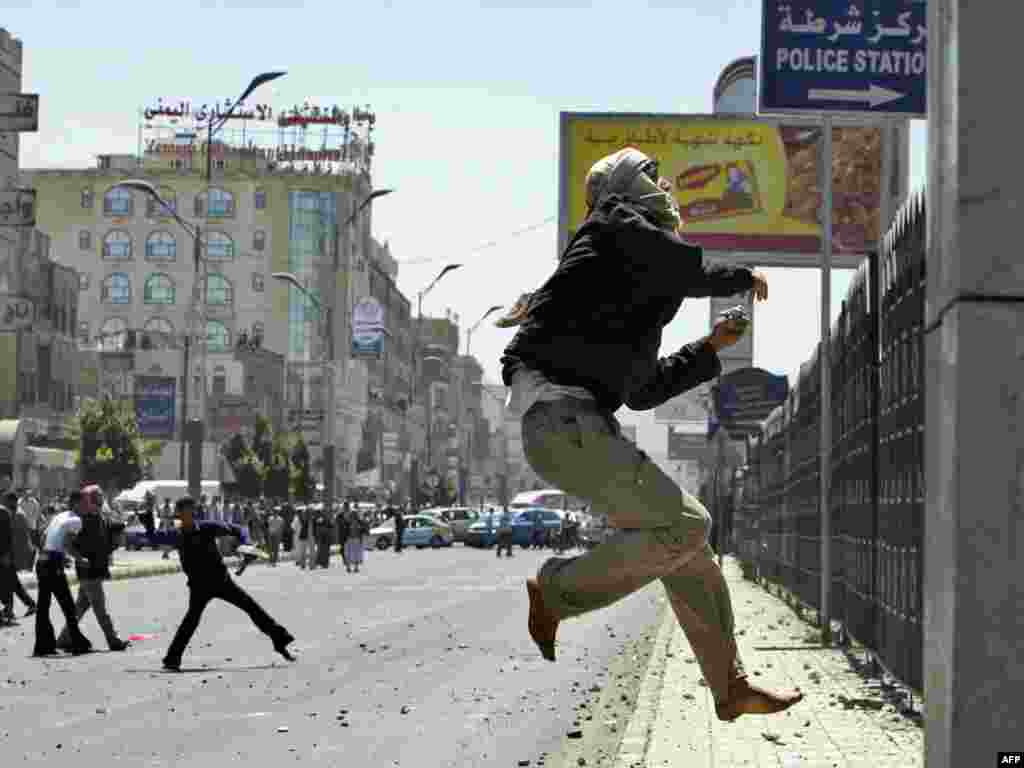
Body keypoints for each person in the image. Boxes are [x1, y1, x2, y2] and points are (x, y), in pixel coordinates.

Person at [498, 146, 801, 722]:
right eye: (657, 180)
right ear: (632, 187)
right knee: (689, 525)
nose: (670, 192)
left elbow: (642, 388)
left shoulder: (626, 288)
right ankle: (557, 591)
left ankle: (729, 685)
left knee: (687, 545)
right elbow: (680, 265)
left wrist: (709, 350)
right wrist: (738, 276)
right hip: (564, 423)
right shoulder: (612, 226)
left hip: (573, 428)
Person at [160, 496, 295, 672]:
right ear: (178, 513)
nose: (185, 515)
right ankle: (172, 659)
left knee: (252, 608)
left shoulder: (207, 527)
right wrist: (147, 523)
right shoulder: (176, 534)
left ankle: (279, 640)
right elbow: (152, 536)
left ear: (193, 512)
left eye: (188, 511)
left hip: (221, 582)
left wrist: (246, 544)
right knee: (190, 621)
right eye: (182, 512)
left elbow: (237, 529)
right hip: (199, 587)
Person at [56, 486, 129, 652]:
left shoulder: (99, 517)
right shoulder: (84, 519)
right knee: (100, 607)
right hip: (89, 570)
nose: (100, 499)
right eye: (97, 496)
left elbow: (106, 541)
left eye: (100, 496)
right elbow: (70, 544)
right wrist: (80, 558)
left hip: (94, 569)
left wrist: (117, 534)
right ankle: (113, 640)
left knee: (81, 607)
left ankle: (64, 638)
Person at [32, 489, 93, 656]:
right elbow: (67, 543)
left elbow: (43, 538)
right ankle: (77, 643)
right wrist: (80, 559)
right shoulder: (76, 520)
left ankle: (43, 646)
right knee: (67, 605)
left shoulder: (59, 516)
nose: (87, 506)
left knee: (43, 606)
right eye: (84, 503)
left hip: (42, 562)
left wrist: (58, 554)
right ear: (75, 503)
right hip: (53, 565)